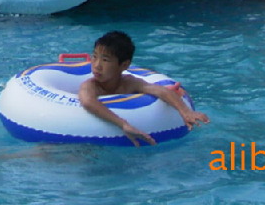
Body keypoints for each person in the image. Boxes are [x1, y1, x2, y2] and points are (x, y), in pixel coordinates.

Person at [79, 30, 210, 146]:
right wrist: (123, 124)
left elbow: (160, 90)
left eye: (105, 60)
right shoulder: (91, 85)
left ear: (124, 65)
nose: (97, 65)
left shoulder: (129, 83)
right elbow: (88, 101)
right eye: (94, 57)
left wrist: (186, 112)